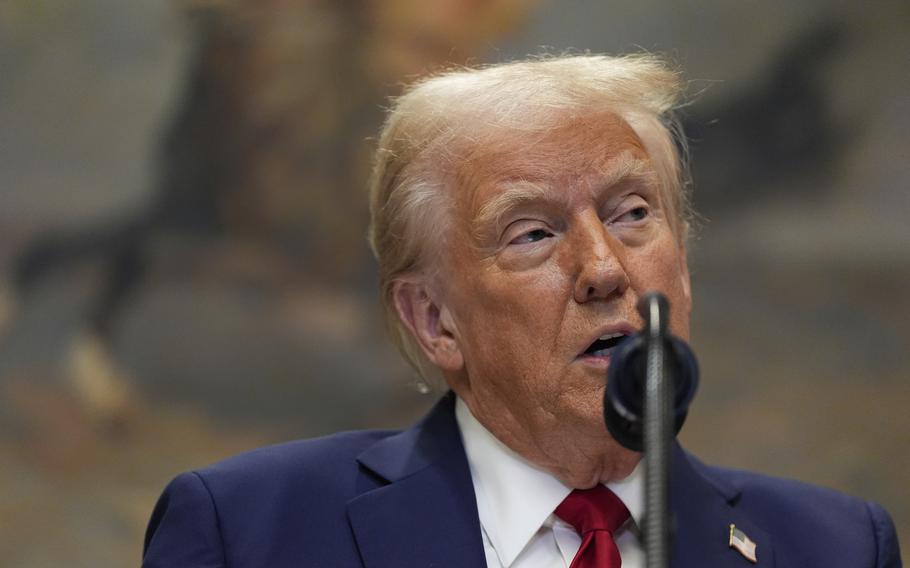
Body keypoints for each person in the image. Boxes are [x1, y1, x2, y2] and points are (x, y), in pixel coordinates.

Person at [141, 54, 902, 567]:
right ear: (434, 320)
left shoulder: (835, 547)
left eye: (633, 213)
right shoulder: (249, 533)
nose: (605, 269)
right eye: (533, 233)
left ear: (685, 269)